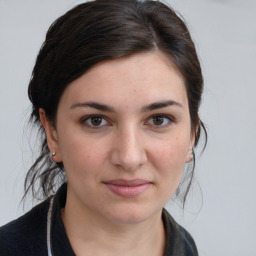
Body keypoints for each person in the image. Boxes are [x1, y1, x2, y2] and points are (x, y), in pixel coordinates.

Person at [0, 0, 207, 255]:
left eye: (158, 119)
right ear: (52, 133)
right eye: (95, 120)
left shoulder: (184, 246)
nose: (129, 158)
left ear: (191, 134)